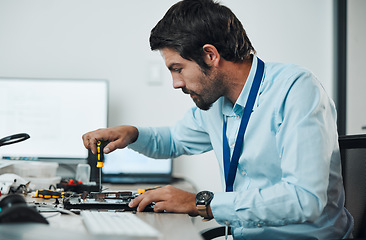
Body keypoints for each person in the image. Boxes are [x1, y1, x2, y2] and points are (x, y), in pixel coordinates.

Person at [82, 0, 353, 239]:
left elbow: (304, 199)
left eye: (178, 69)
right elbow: (174, 140)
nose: (176, 83)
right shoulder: (214, 101)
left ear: (210, 55)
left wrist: (203, 203)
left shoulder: (296, 90)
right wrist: (131, 133)